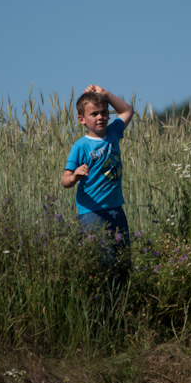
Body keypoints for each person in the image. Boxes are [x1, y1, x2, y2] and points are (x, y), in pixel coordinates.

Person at [61, 84, 133, 277]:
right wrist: (75, 175)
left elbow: (127, 110)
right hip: (92, 215)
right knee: (102, 265)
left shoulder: (113, 133)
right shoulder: (81, 146)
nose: (100, 117)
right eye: (94, 114)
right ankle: (102, 303)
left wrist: (106, 94)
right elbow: (65, 180)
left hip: (116, 210)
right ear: (81, 119)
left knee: (123, 263)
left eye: (104, 112)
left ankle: (120, 303)